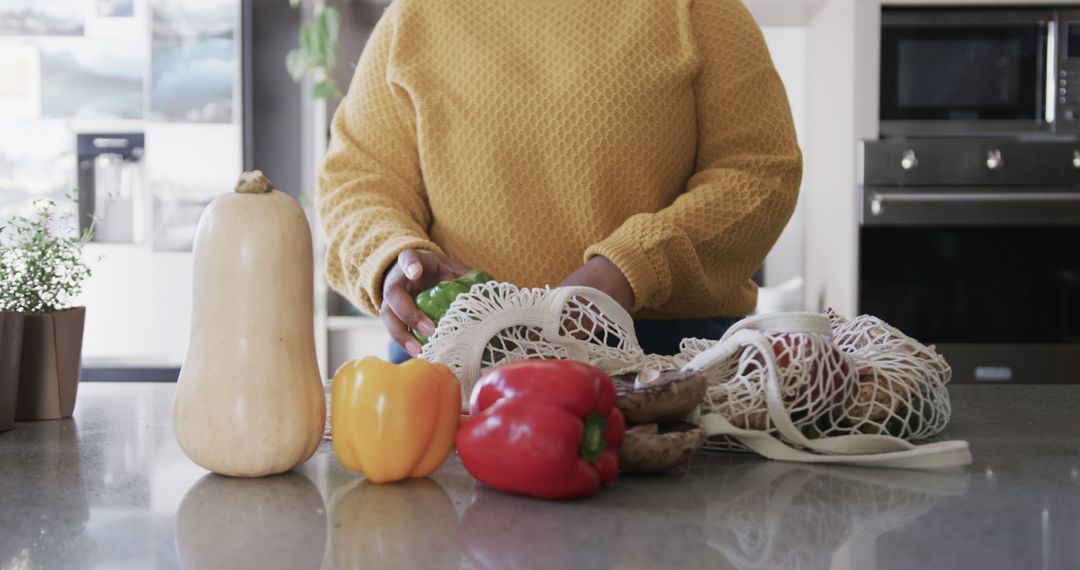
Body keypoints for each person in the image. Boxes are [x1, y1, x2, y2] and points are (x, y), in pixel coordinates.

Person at [316, 0, 802, 363]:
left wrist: (631, 269)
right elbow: (357, 180)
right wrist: (390, 256)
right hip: (455, 356)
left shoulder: (696, 7)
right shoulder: (416, 16)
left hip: (664, 354)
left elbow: (760, 169)